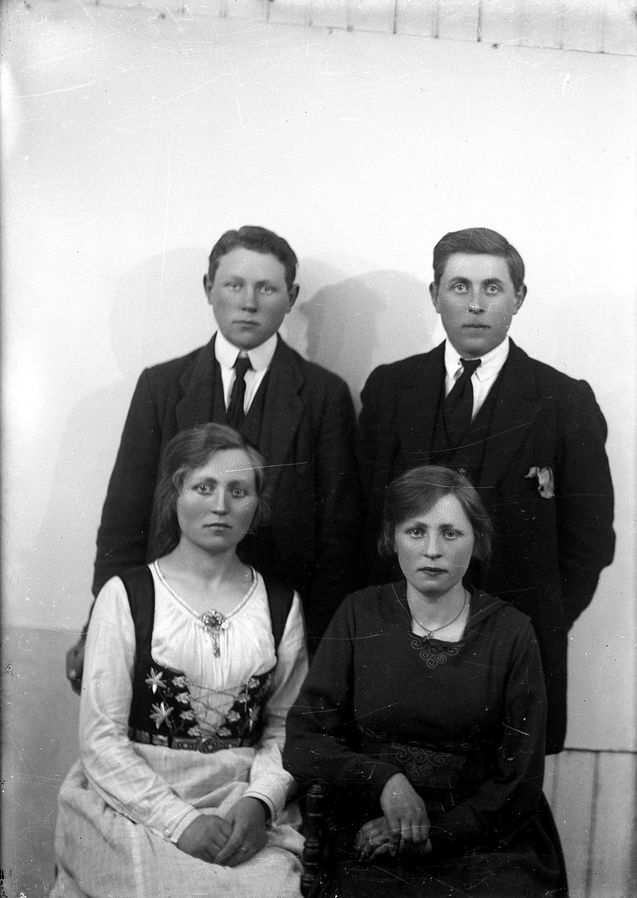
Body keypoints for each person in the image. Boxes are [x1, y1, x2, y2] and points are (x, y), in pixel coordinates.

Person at [357, 227, 614, 754]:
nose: (476, 304)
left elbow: (589, 543)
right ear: (436, 295)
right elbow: (363, 522)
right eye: (460, 287)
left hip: (512, 657)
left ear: (519, 297)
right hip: (400, 649)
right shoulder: (389, 388)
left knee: (503, 794)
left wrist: (532, 626)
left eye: (492, 288)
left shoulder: (564, 400)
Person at [67, 225, 360, 688]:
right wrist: (101, 628)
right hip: (166, 632)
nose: (249, 302)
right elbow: (124, 522)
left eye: (266, 288)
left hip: (274, 641)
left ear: (291, 296)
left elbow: (339, 539)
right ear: (208, 289)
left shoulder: (325, 396)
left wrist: (316, 656)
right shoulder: (161, 387)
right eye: (234, 285)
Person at [284, 465, 568, 898]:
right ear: (391, 537)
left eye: (451, 533)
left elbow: (520, 780)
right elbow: (305, 740)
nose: (433, 550)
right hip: (371, 827)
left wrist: (437, 833)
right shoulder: (360, 614)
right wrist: (384, 781)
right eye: (416, 531)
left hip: (483, 838)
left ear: (477, 540)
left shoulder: (511, 633)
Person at [52, 424, 308, 898]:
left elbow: (285, 728)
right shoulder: (127, 596)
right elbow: (101, 738)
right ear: (176, 494)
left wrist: (260, 801)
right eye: (204, 487)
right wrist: (180, 821)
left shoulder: (280, 605)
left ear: (257, 505)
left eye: (238, 491)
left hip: (240, 800)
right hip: (134, 799)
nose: (220, 505)